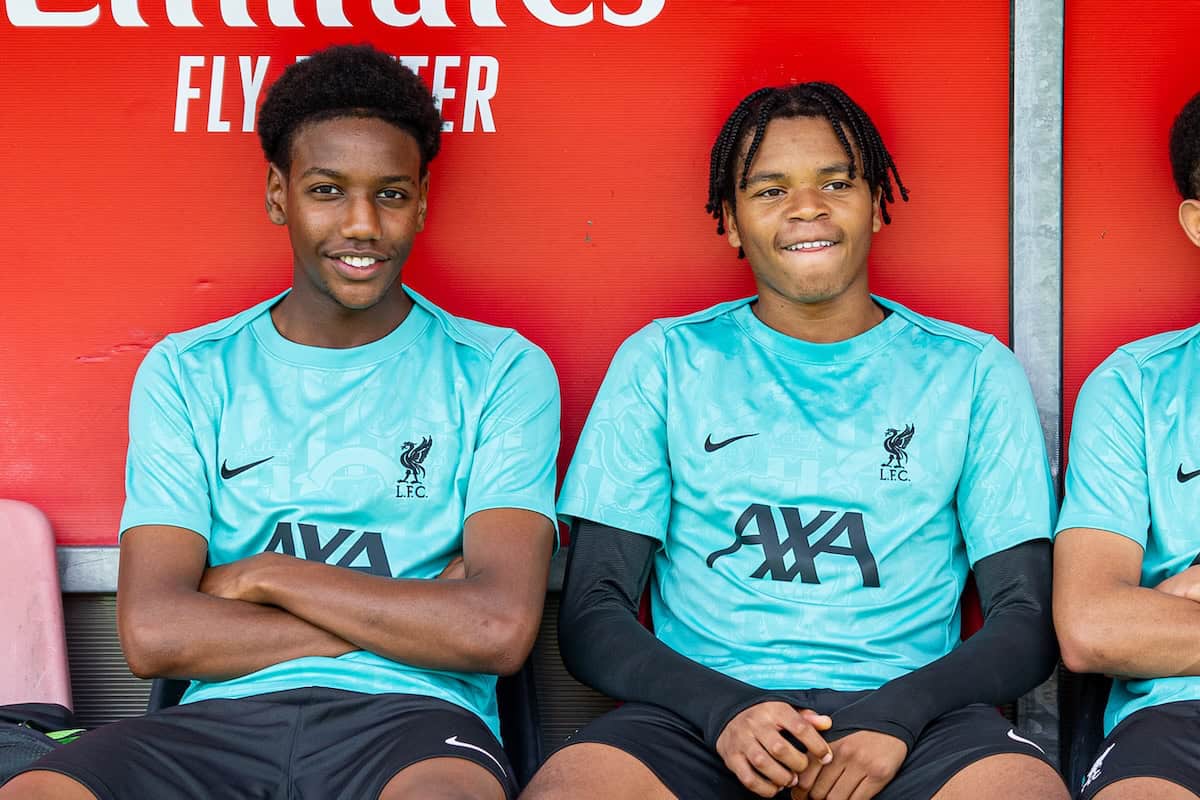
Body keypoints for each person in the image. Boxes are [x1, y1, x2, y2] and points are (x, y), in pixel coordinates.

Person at [0, 44, 559, 800]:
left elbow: (494, 630)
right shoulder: (189, 371)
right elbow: (155, 634)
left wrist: (264, 577)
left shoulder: (498, 369)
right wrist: (417, 620)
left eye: (391, 195)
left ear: (422, 203)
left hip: (415, 722)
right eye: (327, 190)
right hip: (217, 723)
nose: (361, 224)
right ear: (278, 194)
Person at [521, 83, 1067, 800]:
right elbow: (593, 611)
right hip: (699, 717)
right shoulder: (665, 360)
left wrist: (897, 717)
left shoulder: (970, 370)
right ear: (730, 223)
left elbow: (1025, 622)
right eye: (770, 189)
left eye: (836, 182)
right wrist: (727, 710)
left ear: (877, 204)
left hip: (914, 717)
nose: (807, 208)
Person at [1054, 89, 1200, 800]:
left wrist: (1174, 607)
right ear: (1198, 223)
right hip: (1179, 716)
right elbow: (1092, 626)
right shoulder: (1135, 387)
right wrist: (1134, 619)